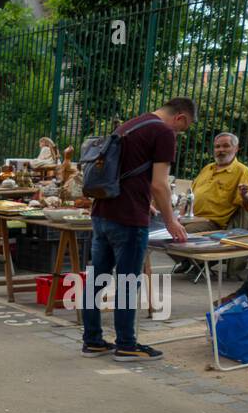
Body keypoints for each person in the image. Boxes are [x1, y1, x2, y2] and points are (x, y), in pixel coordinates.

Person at [84, 96, 196, 362]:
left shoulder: (131, 125)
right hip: (128, 219)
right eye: (183, 128)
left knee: (96, 279)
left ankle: (92, 340)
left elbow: (125, 172)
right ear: (180, 117)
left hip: (102, 212)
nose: (179, 132)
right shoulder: (163, 132)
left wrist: (148, 204)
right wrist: (171, 221)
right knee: (127, 282)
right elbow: (159, 184)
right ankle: (126, 344)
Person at [189, 132, 248, 230]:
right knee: (164, 228)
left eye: (226, 146)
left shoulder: (241, 170)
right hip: (191, 218)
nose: (221, 150)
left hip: (213, 222)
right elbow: (191, 195)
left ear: (236, 149)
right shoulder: (208, 168)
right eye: (217, 147)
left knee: (184, 232)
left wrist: (245, 195)